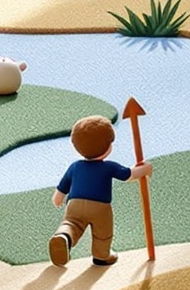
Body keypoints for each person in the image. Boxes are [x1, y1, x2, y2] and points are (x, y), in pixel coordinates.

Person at [48, 112, 150, 267]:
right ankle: (101, 256)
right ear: (108, 147)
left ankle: (64, 236)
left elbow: (62, 188)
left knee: (72, 223)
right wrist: (145, 169)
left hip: (74, 204)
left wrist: (57, 199)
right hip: (100, 207)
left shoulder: (75, 166)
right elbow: (129, 175)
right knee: (103, 232)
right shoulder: (109, 167)